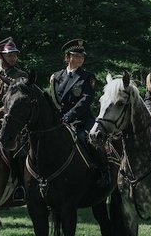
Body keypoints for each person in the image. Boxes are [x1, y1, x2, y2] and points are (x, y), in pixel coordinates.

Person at [46, 39, 108, 187]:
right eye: (76, 56)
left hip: (81, 121)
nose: (80, 59)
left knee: (92, 141)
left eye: (82, 56)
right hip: (60, 121)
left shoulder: (88, 77)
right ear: (68, 57)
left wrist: (69, 116)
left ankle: (102, 173)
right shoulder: (56, 77)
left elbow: (85, 101)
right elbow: (52, 99)